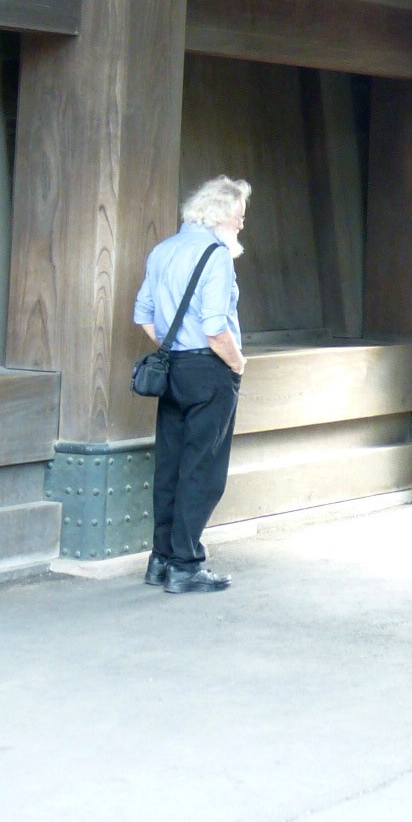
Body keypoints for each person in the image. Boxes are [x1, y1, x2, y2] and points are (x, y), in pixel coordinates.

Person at [134, 175, 251, 594]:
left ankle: (160, 560)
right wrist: (238, 365)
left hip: (173, 370)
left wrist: (172, 348)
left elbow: (144, 314)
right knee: (203, 469)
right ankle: (186, 564)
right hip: (210, 370)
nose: (241, 224)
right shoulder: (216, 257)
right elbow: (216, 328)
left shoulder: (163, 250)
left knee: (170, 465)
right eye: (238, 216)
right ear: (218, 215)